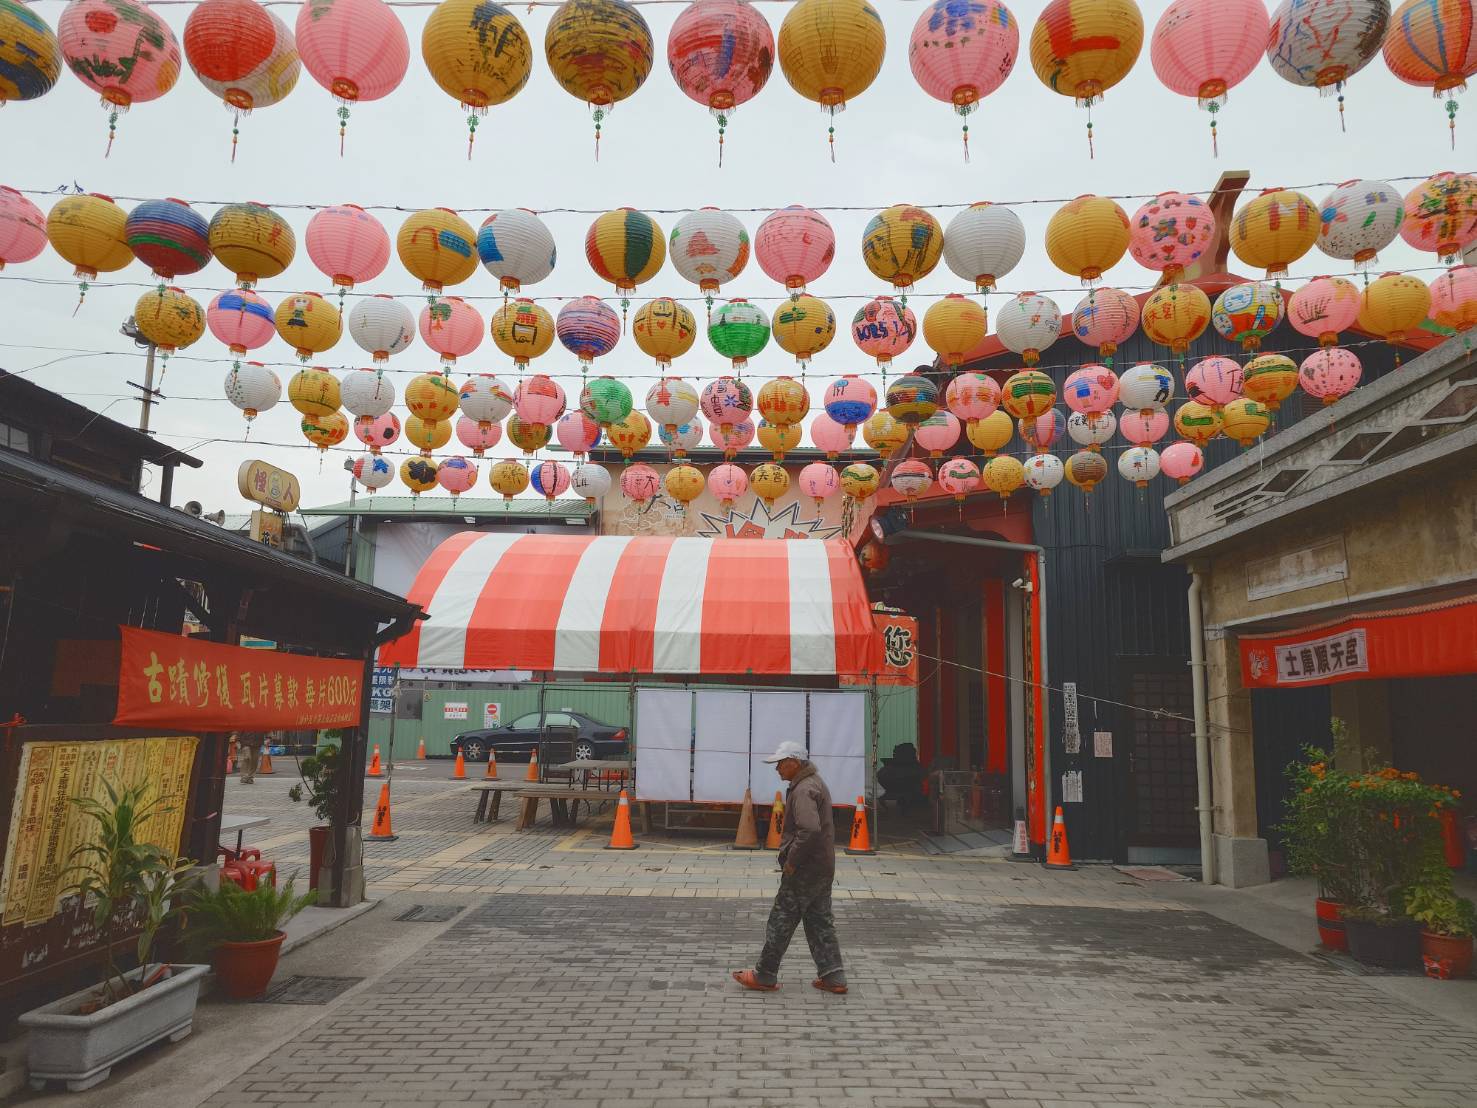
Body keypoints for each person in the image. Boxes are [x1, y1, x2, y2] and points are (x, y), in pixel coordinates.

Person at [732, 741, 847, 995]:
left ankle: (764, 974)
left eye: (780, 763)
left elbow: (809, 830)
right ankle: (833, 976)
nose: (777, 769)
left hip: (805, 868)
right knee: (819, 920)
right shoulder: (812, 783)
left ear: (795, 762)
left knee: (781, 919)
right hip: (821, 866)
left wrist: (792, 861)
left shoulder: (804, 789)